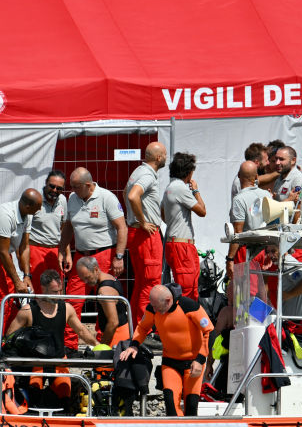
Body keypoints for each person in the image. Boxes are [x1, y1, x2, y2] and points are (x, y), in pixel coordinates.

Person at [5, 269, 98, 407]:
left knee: (65, 396)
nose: (58, 295)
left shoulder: (66, 308)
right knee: (33, 396)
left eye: (60, 291)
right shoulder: (28, 311)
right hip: (35, 361)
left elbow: (82, 331)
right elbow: (9, 336)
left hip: (59, 359)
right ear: (43, 289)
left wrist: (97, 344)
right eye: (54, 292)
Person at [120, 284, 213, 416]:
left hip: (193, 364)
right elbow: (142, 328)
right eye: (152, 305)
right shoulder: (153, 309)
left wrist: (200, 359)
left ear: (168, 301)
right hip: (170, 363)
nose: (154, 309)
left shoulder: (189, 306)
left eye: (156, 306)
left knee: (191, 407)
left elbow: (209, 331)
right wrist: (134, 344)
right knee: (170, 404)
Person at [60, 167, 127, 347]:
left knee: (103, 302)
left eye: (75, 186)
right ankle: (70, 344)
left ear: (88, 185)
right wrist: (62, 250)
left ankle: (104, 343)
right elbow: (68, 227)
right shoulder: (72, 199)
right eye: (71, 186)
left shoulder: (107, 198)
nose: (72, 190)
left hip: (104, 254)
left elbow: (122, 227)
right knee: (72, 301)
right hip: (81, 257)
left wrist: (119, 256)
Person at [0, 188, 43, 342]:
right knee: (0, 300)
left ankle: (9, 340)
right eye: (37, 208)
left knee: (12, 299)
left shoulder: (28, 215)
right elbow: (3, 252)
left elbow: (24, 247)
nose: (39, 210)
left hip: (3, 256)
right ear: (27, 206)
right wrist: (17, 281)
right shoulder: (6, 216)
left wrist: (26, 276)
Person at [125, 141, 168, 323]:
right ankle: (146, 330)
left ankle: (136, 329)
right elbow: (133, 195)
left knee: (142, 284)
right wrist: (143, 221)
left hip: (137, 233)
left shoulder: (138, 172)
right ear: (158, 157)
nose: (166, 157)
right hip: (145, 235)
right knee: (150, 283)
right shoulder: (147, 175)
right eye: (164, 154)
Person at [161, 152, 206, 299]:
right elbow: (202, 211)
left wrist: (173, 221)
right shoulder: (180, 188)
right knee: (187, 290)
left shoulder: (169, 187)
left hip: (176, 242)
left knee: (190, 288)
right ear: (188, 172)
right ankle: (182, 320)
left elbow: (163, 213)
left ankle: (188, 319)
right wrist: (196, 191)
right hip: (181, 245)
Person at [225, 160, 271, 281]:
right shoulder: (267, 194)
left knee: (243, 293)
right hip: (265, 250)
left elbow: (237, 232)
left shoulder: (239, 199)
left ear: (239, 175)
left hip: (245, 251)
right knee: (262, 292)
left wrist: (230, 259)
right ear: (256, 177)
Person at [75, 255, 132, 346]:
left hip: (116, 338)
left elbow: (113, 322)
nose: (86, 282)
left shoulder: (104, 291)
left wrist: (103, 346)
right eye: (83, 279)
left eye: (87, 277)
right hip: (122, 333)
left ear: (96, 269)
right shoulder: (110, 277)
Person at [29, 170, 68, 281]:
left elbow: (64, 228)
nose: (55, 190)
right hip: (36, 249)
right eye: (52, 186)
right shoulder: (34, 199)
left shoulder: (63, 200)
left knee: (56, 288)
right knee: (39, 289)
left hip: (55, 251)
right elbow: (23, 229)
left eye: (59, 188)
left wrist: (67, 254)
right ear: (46, 183)